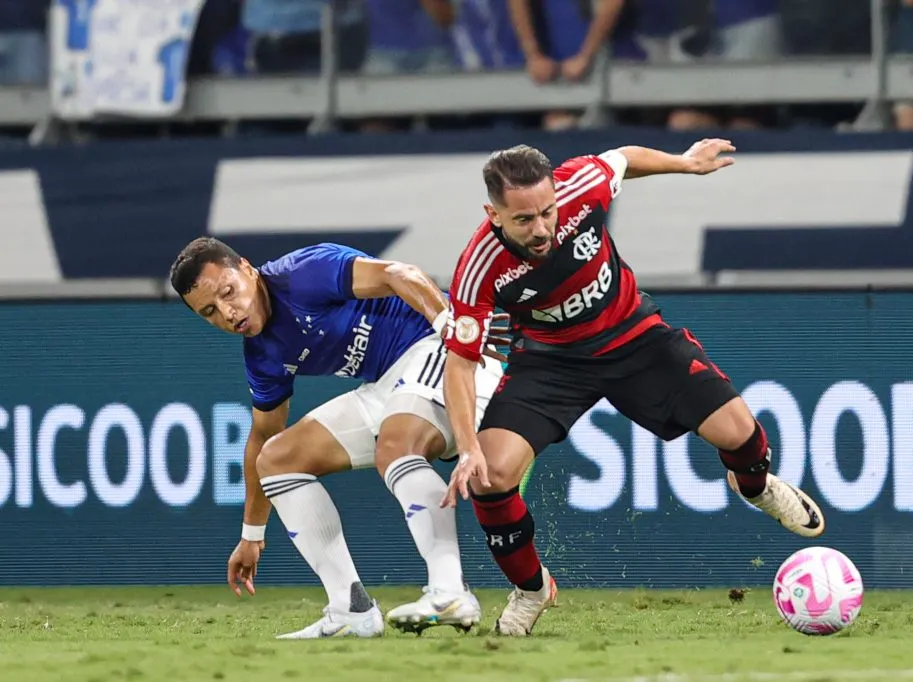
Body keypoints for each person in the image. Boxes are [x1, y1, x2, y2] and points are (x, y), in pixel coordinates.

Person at [438, 140, 827, 636]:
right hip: (551, 362)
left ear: (558, 192)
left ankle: (757, 488)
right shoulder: (478, 266)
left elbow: (622, 157)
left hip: (634, 337)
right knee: (488, 477)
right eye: (523, 220)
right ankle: (532, 590)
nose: (541, 229)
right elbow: (459, 364)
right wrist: (468, 448)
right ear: (493, 213)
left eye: (547, 212)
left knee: (739, 432)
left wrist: (684, 164)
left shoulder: (582, 184)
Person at [169, 238, 506, 639]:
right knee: (278, 459)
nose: (228, 312)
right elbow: (262, 437)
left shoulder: (302, 274)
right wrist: (251, 535)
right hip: (387, 385)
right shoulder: (262, 355)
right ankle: (351, 611)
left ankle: (450, 591)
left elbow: (400, 275)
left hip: (441, 349)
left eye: (228, 292)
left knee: (395, 446)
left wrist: (452, 330)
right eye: (210, 312)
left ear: (247, 268)